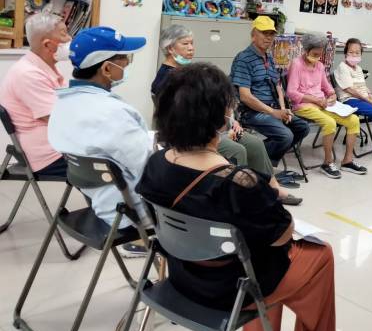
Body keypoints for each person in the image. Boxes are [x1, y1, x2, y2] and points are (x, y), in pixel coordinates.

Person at [137, 63, 342, 331]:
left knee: (255, 253)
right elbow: (283, 235)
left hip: (181, 276)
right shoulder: (239, 183)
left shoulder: (155, 164)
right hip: (231, 289)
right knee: (319, 254)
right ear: (219, 120)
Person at [153, 24, 301, 206]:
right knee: (237, 150)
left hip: (212, 127)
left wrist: (232, 121)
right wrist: (219, 131)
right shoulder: (166, 80)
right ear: (170, 48)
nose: (191, 48)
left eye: (192, 43)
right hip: (193, 135)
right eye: (185, 44)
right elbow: (185, 119)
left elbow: (208, 104)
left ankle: (272, 188)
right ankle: (240, 197)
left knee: (254, 144)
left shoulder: (186, 73)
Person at [47, 26, 151, 256]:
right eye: (124, 58)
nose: (127, 63)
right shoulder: (112, 113)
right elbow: (147, 169)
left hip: (100, 200)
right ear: (106, 68)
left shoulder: (62, 105)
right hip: (129, 212)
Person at [231, 16, 310, 170]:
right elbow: (245, 97)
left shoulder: (269, 57)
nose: (268, 37)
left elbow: (278, 85)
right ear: (253, 35)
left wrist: (283, 109)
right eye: (264, 33)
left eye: (271, 34)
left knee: (302, 127)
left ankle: (261, 160)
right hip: (251, 112)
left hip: (273, 108)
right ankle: (262, 166)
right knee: (285, 136)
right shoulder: (244, 59)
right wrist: (274, 112)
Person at [0, 13, 72, 176]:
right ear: (47, 45)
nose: (70, 39)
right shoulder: (28, 74)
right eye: (64, 34)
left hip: (58, 144)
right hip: (49, 155)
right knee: (112, 164)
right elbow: (60, 120)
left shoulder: (43, 67)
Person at [287, 33, 367, 179]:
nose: (317, 57)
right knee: (329, 123)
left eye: (320, 54)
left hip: (323, 104)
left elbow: (327, 87)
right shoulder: (296, 64)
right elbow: (291, 92)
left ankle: (347, 161)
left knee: (354, 120)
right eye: (314, 54)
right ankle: (327, 162)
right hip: (303, 105)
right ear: (306, 50)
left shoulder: (320, 66)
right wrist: (316, 100)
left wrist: (332, 95)